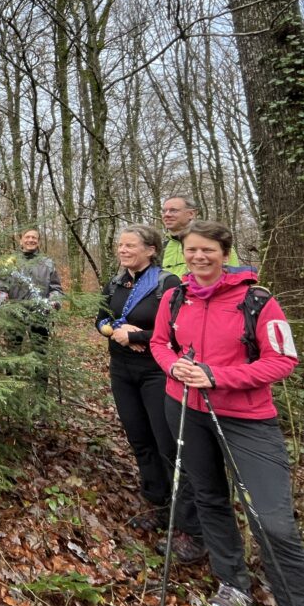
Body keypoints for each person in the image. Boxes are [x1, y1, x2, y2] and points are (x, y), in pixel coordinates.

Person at [151, 220, 304, 606]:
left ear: (225, 255)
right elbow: (162, 343)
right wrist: (174, 367)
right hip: (183, 409)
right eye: (192, 250)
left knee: (272, 519)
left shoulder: (258, 301)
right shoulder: (174, 298)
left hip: (247, 418)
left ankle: (300, 602)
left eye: (208, 250)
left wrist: (218, 377)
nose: (198, 256)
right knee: (209, 497)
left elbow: (282, 361)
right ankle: (233, 582)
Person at [96, 225, 205, 563]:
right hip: (122, 369)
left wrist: (138, 336)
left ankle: (185, 519)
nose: (122, 250)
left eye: (130, 245)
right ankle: (157, 503)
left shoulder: (167, 284)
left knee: (167, 442)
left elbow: (176, 331)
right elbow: (100, 319)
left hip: (157, 373)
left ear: (151, 249)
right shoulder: (115, 283)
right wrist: (112, 330)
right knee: (139, 439)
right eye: (120, 244)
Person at [0, 228, 63, 384]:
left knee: (41, 355)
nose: (31, 240)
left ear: (38, 242)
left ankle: (41, 392)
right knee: (12, 354)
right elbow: (0, 287)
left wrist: (54, 301)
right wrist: (2, 298)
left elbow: (56, 288)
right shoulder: (10, 262)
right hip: (15, 315)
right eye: (28, 237)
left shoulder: (47, 263)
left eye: (34, 237)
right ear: (21, 240)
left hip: (40, 315)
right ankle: (11, 388)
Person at [160, 195, 237, 277]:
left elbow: (232, 277)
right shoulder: (161, 248)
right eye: (164, 211)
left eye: (173, 210)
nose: (166, 215)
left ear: (191, 214)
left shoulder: (215, 240)